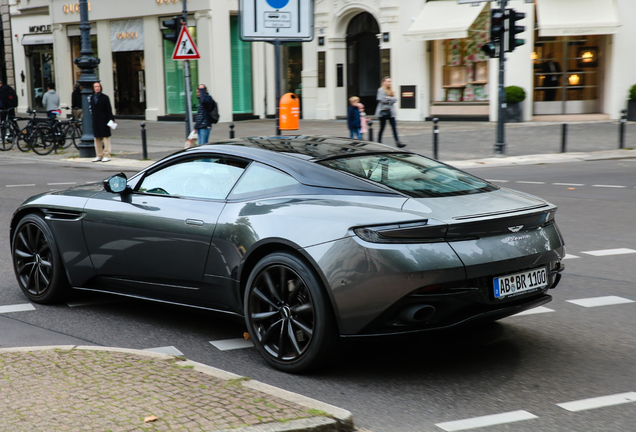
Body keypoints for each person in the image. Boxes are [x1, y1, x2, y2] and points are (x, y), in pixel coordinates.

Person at [375, 77, 405, 148]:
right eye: (388, 81)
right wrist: (391, 99)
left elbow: (396, 99)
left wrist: (389, 98)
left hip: (391, 112)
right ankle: (379, 141)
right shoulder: (380, 90)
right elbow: (381, 100)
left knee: (394, 127)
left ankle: (398, 142)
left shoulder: (391, 90)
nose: (389, 83)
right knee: (382, 127)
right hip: (383, 111)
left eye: (390, 81)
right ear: (384, 82)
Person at [90, 82, 115, 163]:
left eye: (98, 86)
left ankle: (107, 155)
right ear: (93, 88)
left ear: (100, 87)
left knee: (105, 137)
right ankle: (99, 155)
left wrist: (111, 119)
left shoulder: (105, 97)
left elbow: (109, 109)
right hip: (96, 120)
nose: (97, 88)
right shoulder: (92, 97)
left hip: (104, 120)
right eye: (95, 87)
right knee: (97, 138)